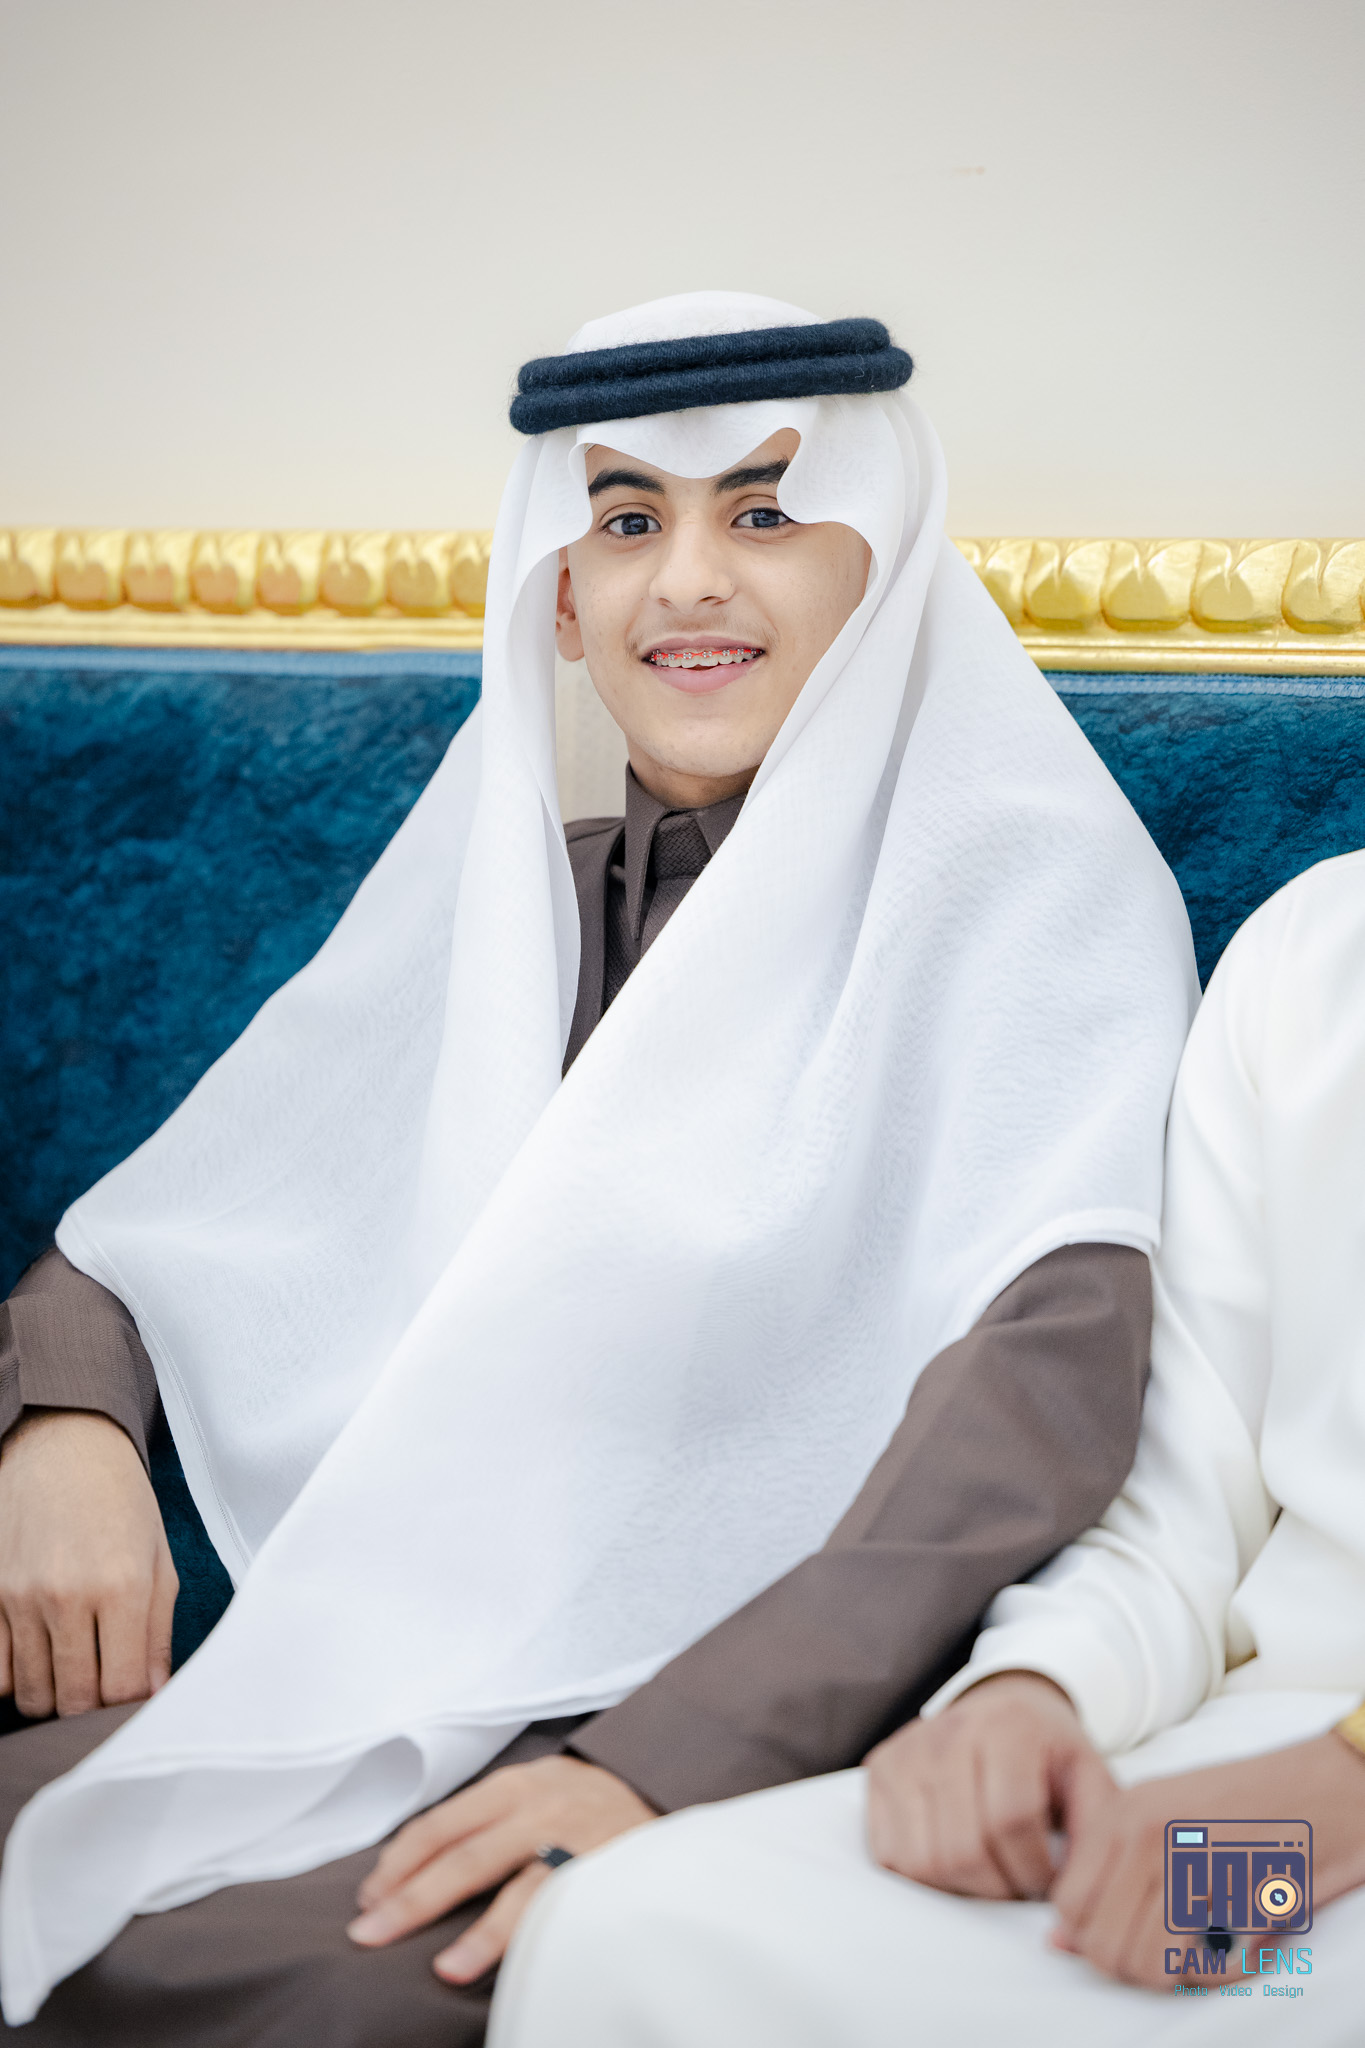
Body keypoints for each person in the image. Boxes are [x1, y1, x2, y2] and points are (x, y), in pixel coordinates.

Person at [0, 293, 1194, 2044]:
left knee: (326, 1991)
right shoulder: (522, 903)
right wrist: (66, 1429)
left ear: (884, 558)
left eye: (765, 511)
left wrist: (662, 1761)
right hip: (372, 1664)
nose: (687, 581)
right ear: (558, 593)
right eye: (627, 520)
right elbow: (186, 1226)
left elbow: (1028, 1416)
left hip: (713, 1721)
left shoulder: (1038, 910)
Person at [487, 850, 1365, 2048]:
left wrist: (1340, 1784)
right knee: (625, 1927)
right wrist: (1030, 1693)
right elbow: (1182, 1512)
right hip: (1230, 1775)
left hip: (1312, 1802)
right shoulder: (1310, 953)